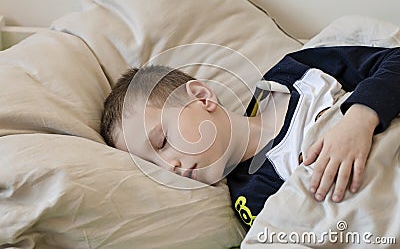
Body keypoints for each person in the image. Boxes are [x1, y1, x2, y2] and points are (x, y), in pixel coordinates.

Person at [100, 46, 400, 227]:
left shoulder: (294, 78)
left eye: (163, 141)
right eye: (155, 167)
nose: (171, 166)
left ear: (202, 97)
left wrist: (359, 119)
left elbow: (394, 61)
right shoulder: (249, 198)